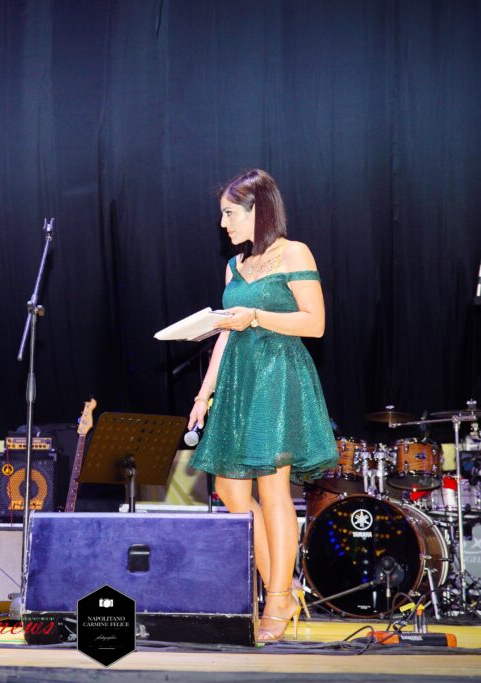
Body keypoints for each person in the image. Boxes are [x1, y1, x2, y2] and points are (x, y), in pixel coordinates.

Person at [187, 170, 336, 643]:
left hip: (278, 378)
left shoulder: (294, 253)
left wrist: (256, 315)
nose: (223, 223)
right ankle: (283, 588)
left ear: (258, 210)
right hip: (237, 383)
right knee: (232, 494)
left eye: (230, 213)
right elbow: (225, 333)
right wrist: (204, 392)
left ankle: (276, 598)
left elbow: (315, 324)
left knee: (274, 491)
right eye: (223, 215)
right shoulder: (233, 268)